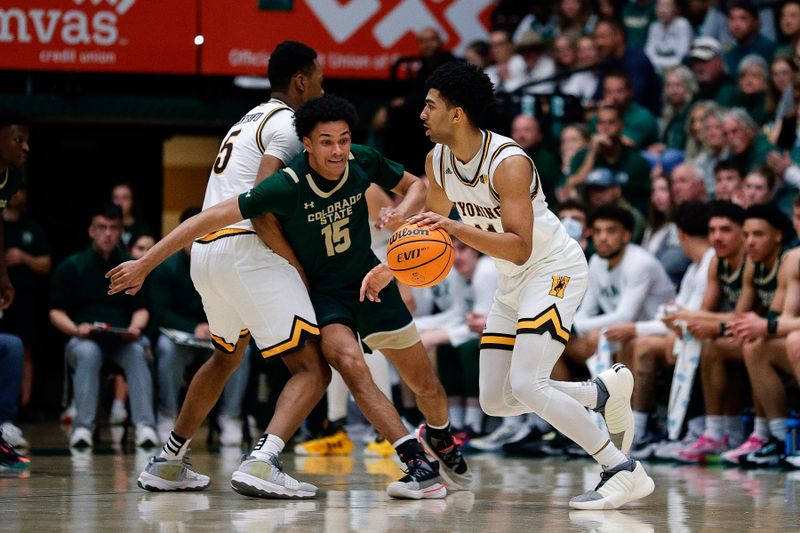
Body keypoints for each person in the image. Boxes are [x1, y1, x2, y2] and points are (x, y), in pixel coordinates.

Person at [109, 94, 471, 500]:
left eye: (344, 139)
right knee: (348, 365)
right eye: (327, 141)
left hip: (370, 279)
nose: (338, 150)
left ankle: (440, 437)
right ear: (307, 143)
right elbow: (206, 218)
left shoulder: (362, 159)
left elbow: (416, 186)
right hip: (326, 295)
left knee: (424, 383)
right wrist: (145, 264)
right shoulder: (286, 184)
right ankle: (417, 465)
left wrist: (401, 213)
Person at [367, 61, 655, 509]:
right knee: (498, 400)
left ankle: (620, 469)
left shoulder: (509, 163)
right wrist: (392, 266)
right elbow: (435, 232)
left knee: (528, 383)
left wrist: (454, 227)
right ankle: (599, 392)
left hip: (553, 268)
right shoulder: (437, 159)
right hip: (512, 277)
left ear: (457, 114)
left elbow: (519, 246)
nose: (421, 114)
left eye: (430, 106)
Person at [132, 41, 331, 499]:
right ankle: (263, 461)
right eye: (319, 77)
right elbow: (261, 205)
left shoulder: (247, 119)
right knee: (312, 369)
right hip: (247, 248)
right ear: (301, 80)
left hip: (207, 255)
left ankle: (168, 461)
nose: (323, 85)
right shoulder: (286, 123)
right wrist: (296, 265)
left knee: (224, 357)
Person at [604, 201, 714, 457]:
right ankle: (635, 425)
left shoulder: (708, 262)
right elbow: (674, 315)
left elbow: (687, 318)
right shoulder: (695, 267)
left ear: (681, 234)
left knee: (642, 344)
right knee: (631, 342)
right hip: (682, 334)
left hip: (698, 336)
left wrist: (636, 327)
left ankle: (644, 429)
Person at [50, 204, 157, 449]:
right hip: (85, 338)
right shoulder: (72, 266)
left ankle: (145, 426)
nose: (108, 233)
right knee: (87, 353)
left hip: (123, 340)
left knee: (139, 350)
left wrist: (135, 328)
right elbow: (56, 311)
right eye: (102, 227)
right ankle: (83, 429)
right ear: (91, 231)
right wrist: (76, 330)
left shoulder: (132, 265)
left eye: (113, 228)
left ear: (121, 232)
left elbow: (142, 308)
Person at [150, 206, 250, 445]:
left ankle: (230, 417)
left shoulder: (224, 265)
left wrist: (215, 327)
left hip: (218, 334)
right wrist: (193, 327)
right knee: (166, 348)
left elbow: (236, 302)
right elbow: (161, 312)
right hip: (182, 338)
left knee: (243, 350)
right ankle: (167, 415)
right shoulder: (167, 268)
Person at [112, 183, 153, 248]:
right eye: (116, 198)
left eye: (125, 198)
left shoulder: (143, 228)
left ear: (132, 201)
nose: (119, 202)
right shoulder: (107, 228)